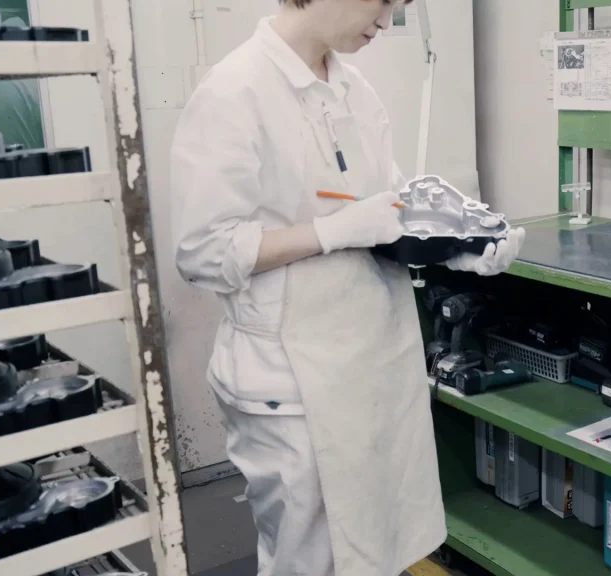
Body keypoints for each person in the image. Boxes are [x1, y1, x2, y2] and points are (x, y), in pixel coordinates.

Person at [170, 1, 525, 575]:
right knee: (310, 558)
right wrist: (330, 232)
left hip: (371, 359)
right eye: (383, 1)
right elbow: (203, 253)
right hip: (292, 376)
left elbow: (387, 214)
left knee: (376, 545)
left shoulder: (355, 91)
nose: (387, 19)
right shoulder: (234, 92)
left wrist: (454, 246)